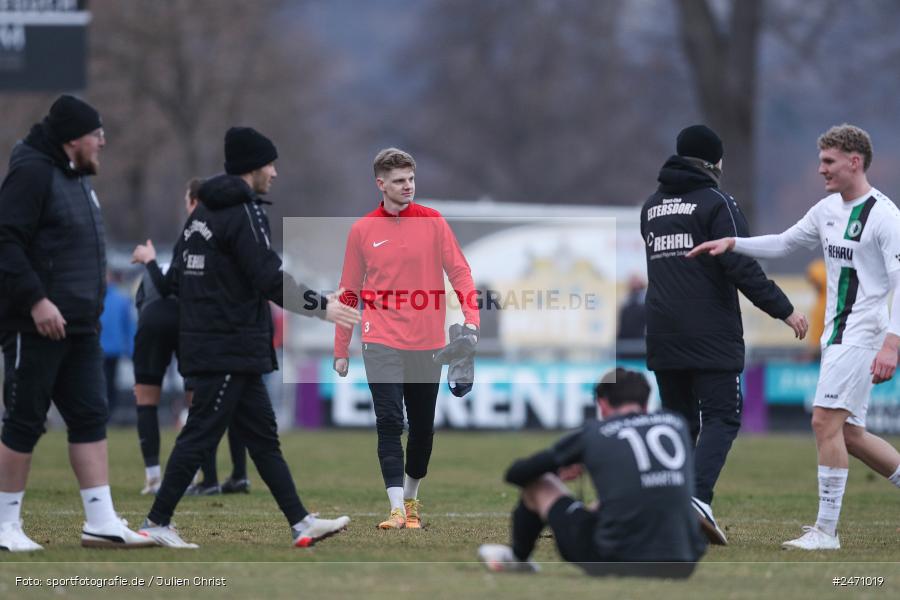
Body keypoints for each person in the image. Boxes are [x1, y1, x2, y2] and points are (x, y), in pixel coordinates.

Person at [138, 127, 360, 549]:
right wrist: (322, 306)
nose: (275, 173)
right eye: (271, 164)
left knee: (263, 440)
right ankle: (155, 523)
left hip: (223, 345)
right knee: (200, 432)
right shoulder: (244, 211)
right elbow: (266, 277)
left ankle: (300, 523)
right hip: (229, 346)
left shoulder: (200, 214)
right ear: (254, 168)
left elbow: (176, 281)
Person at [689, 124, 900, 551]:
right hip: (837, 335)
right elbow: (785, 243)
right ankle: (825, 530)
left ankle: (825, 532)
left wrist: (892, 342)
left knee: (824, 420)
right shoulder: (826, 210)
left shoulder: (884, 216)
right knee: (852, 435)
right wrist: (733, 243)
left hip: (864, 333)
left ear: (854, 161)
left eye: (828, 161)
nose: (820, 169)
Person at [640, 124, 808, 545]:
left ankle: (667, 506)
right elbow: (741, 264)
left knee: (677, 423)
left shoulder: (651, 206)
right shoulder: (717, 202)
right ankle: (697, 499)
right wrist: (784, 310)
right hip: (711, 334)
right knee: (721, 416)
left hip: (662, 332)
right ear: (714, 161)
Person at [0, 95, 153, 551]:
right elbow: (5, 241)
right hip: (36, 324)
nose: (103, 141)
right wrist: (37, 301)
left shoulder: (78, 178)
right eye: (96, 134)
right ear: (72, 139)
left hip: (82, 326)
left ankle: (101, 522)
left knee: (90, 416)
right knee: (25, 421)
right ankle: (5, 526)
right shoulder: (31, 173)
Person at [333, 148, 480, 529]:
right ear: (380, 184)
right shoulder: (362, 230)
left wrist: (472, 319)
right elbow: (348, 291)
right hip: (379, 337)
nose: (407, 187)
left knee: (422, 429)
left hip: (428, 342)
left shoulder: (433, 223)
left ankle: (412, 501)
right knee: (388, 420)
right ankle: (395, 508)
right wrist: (341, 346)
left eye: (411, 179)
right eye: (399, 181)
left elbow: (460, 273)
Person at [477, 368, 706, 577]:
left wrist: (564, 468)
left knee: (539, 484)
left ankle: (518, 559)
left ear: (602, 403)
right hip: (682, 562)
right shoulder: (676, 424)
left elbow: (517, 474)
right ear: (646, 405)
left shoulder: (594, 433)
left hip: (616, 558)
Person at [130, 178, 248, 497]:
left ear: (195, 201)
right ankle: (214, 477)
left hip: (161, 317)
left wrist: (150, 260)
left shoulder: (194, 233)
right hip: (195, 324)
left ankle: (155, 477)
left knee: (147, 398)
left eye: (186, 199)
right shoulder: (230, 233)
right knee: (207, 402)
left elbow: (167, 287)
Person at [99, 270, 136, 424]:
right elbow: (129, 326)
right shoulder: (122, 299)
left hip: (103, 348)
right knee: (109, 383)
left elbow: (128, 326)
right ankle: (106, 415)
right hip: (111, 348)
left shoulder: (97, 297)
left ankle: (104, 415)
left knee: (103, 383)